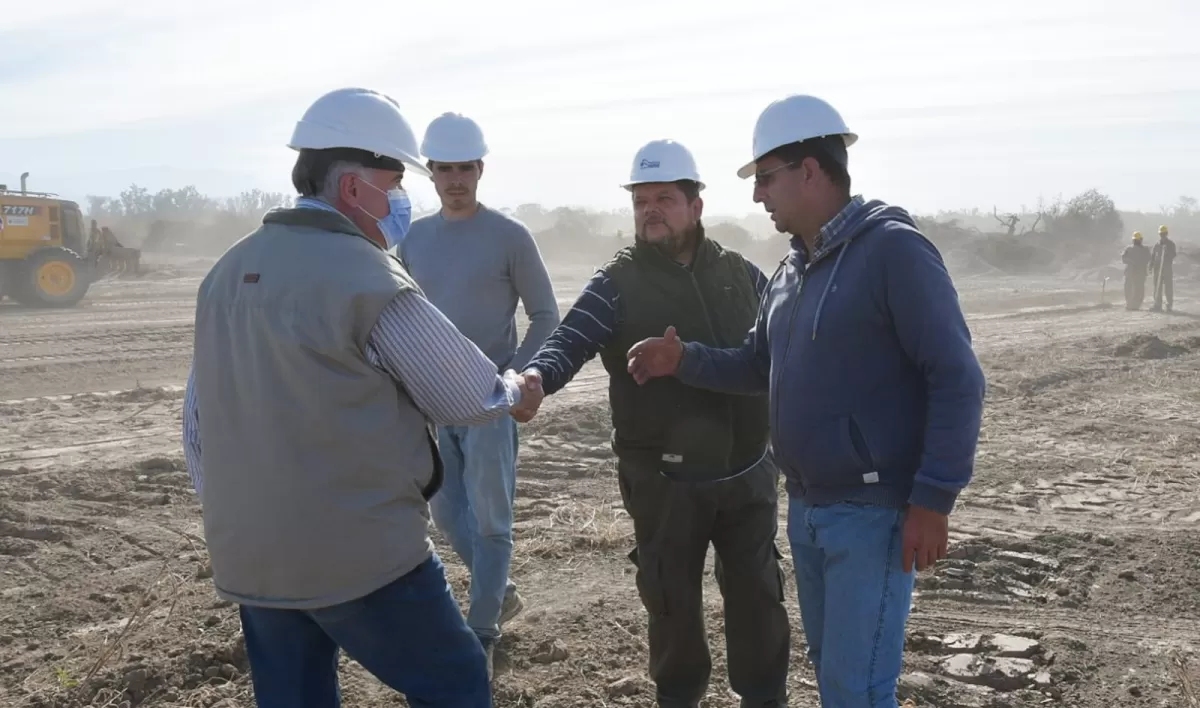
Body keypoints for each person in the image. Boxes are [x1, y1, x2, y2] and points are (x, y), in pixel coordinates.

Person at [181, 87, 543, 708]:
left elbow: (195, 426)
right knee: (457, 682)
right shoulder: (363, 273)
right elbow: (464, 392)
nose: (402, 196)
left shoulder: (225, 273)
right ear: (355, 189)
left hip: (251, 557)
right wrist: (515, 388)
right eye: (395, 180)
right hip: (358, 553)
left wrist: (241, 513)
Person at [626, 95, 987, 708]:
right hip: (808, 510)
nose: (759, 195)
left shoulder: (893, 251)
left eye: (765, 178)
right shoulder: (792, 272)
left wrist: (934, 499)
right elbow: (754, 365)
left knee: (856, 691)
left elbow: (956, 377)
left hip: (872, 514)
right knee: (836, 679)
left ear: (811, 171)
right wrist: (683, 359)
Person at [511, 140, 791, 708]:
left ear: (696, 205)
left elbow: (785, 348)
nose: (650, 211)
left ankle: (766, 698)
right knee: (672, 609)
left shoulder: (742, 274)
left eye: (664, 198)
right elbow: (571, 338)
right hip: (664, 485)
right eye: (641, 201)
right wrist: (537, 376)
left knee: (759, 602)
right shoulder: (618, 281)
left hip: (747, 475)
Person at [399, 111, 560, 674]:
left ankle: (483, 630)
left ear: (480, 169)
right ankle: (501, 592)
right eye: (443, 169)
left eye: (464, 168)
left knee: (492, 523)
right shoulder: (413, 239)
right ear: (431, 173)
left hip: (492, 405)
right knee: (446, 515)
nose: (455, 179)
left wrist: (513, 377)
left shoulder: (510, 236)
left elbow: (545, 315)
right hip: (435, 404)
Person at [1121, 231, 1151, 310]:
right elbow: (1123, 259)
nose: (1136, 241)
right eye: (1135, 240)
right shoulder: (1129, 249)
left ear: (1140, 240)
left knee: (1139, 289)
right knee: (1129, 289)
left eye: (1137, 240)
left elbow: (1148, 259)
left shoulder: (1145, 249)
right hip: (1131, 273)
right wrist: (1131, 262)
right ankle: (1130, 304)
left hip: (1139, 273)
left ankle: (1135, 305)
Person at [1150, 224, 1176, 313]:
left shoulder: (1171, 244)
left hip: (1167, 269)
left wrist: (1167, 253)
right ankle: (1157, 305)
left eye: (1164, 234)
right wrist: (1151, 266)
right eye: (1161, 234)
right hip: (1157, 269)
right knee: (1157, 287)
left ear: (1167, 234)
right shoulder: (1156, 245)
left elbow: (1173, 255)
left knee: (1168, 287)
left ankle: (1169, 305)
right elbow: (1153, 256)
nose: (1162, 235)